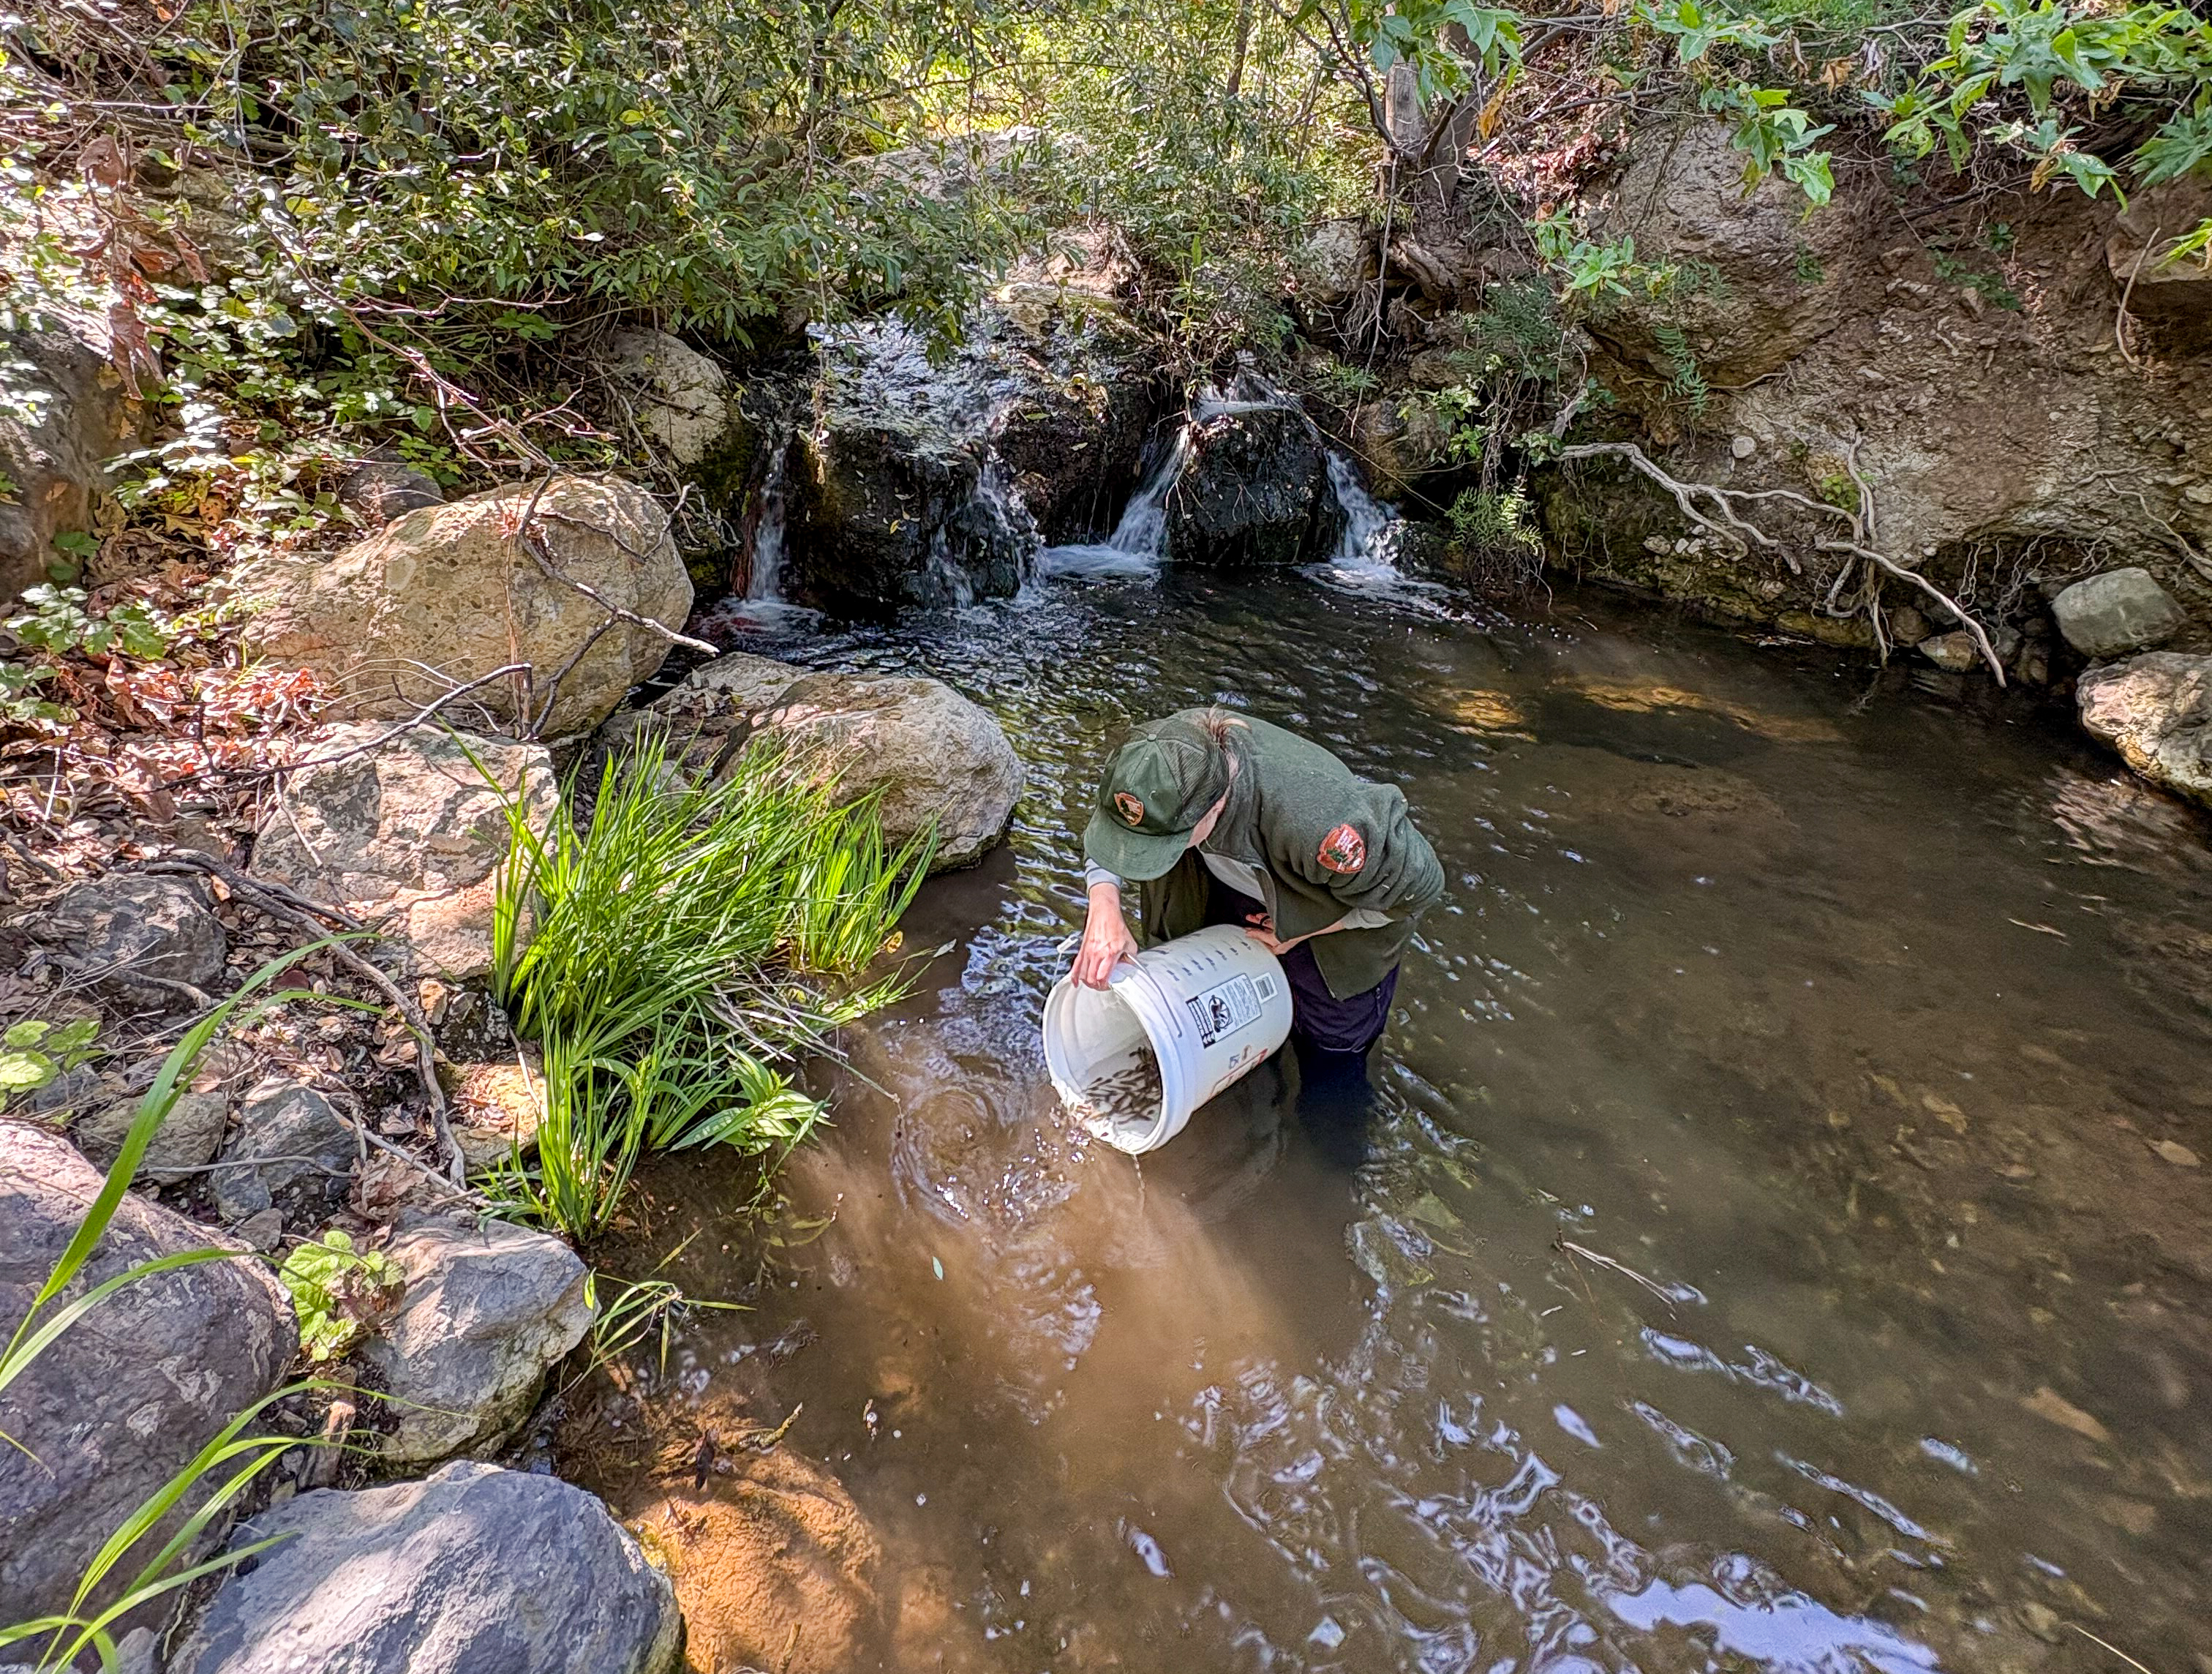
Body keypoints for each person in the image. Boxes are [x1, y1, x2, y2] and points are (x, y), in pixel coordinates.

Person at [1072, 708, 1443, 1144]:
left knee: (1331, 1064)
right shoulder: (1154, 761)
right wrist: (1104, 902)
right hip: (1233, 884)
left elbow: (1421, 889)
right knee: (1220, 1025)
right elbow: (1110, 829)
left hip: (1333, 919)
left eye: (1160, 846)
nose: (1140, 858)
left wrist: (1304, 931)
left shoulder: (1319, 821)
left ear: (1215, 807)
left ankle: (1331, 1166)